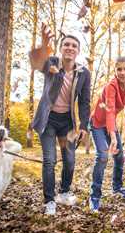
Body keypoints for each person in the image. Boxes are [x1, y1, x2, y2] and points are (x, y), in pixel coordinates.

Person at [29, 23, 91, 215]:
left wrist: (83, 126)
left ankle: (64, 192)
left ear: (78, 51)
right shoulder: (52, 63)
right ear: (61, 48)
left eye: (74, 45)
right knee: (49, 160)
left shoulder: (83, 73)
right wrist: (43, 44)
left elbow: (84, 102)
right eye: (66, 45)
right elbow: (36, 62)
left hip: (67, 123)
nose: (70, 48)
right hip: (47, 120)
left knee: (70, 160)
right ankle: (49, 200)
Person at [89, 56, 125, 213]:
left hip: (111, 124)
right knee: (103, 155)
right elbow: (110, 110)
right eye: (119, 69)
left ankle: (117, 187)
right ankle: (95, 196)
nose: (122, 72)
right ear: (115, 71)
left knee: (120, 156)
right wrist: (113, 137)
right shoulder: (111, 86)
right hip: (97, 123)